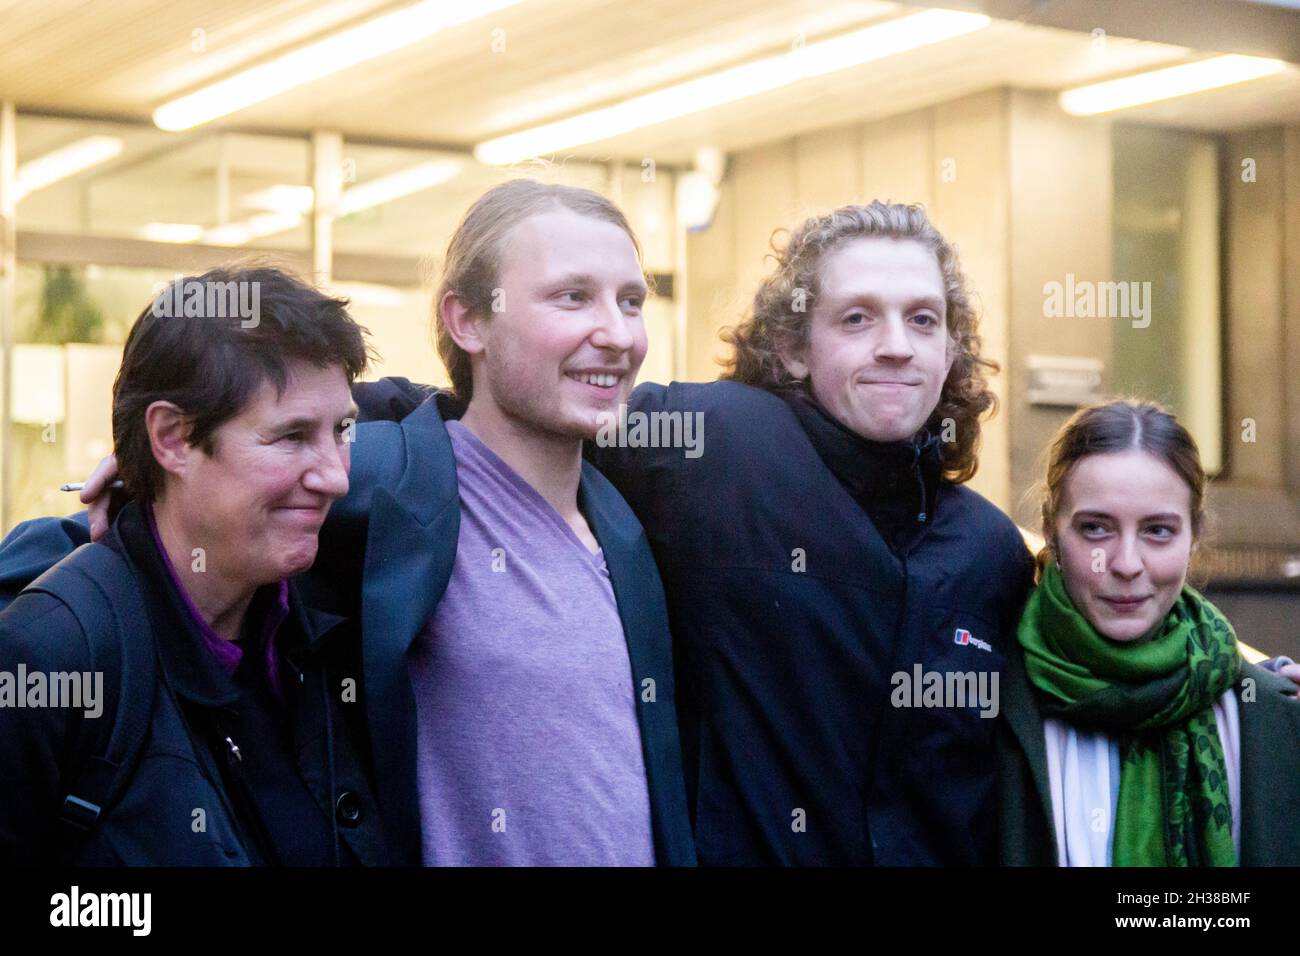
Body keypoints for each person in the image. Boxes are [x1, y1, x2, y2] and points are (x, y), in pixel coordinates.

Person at [18, 181, 696, 866]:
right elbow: (133, 552)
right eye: (572, 295)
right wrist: (147, 473)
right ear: (467, 320)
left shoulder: (632, 519)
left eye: (633, 300)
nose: (615, 331)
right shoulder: (390, 492)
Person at [0, 266, 389, 865]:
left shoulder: (326, 621)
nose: (335, 476)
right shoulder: (50, 654)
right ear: (174, 438)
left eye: (340, 430)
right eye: (290, 436)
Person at [997, 400, 1300, 866]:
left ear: (1194, 536)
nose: (1126, 564)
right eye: (1095, 529)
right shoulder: (987, 705)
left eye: (1158, 531)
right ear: (1049, 531)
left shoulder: (1272, 717)